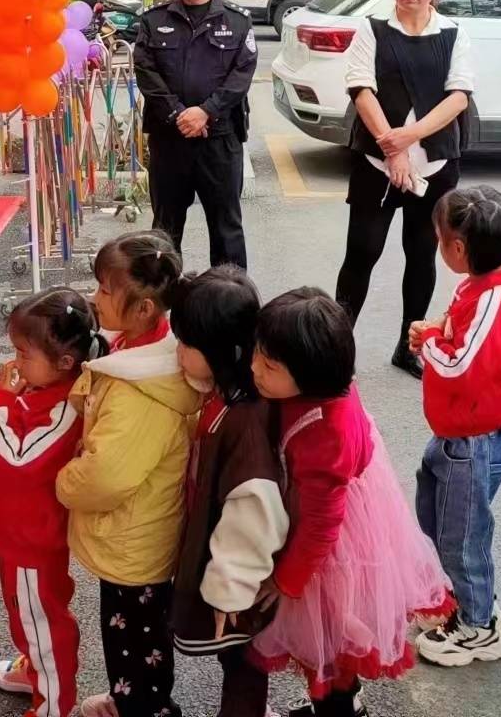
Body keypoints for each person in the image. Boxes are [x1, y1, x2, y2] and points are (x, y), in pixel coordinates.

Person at [248, 289, 451, 717]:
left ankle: (342, 708)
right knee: (334, 638)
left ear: (311, 373)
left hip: (330, 550)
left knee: (329, 640)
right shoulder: (325, 387)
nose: (254, 370)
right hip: (339, 517)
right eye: (256, 355)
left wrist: (287, 580)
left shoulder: (325, 435)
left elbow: (322, 522)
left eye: (268, 365)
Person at [57, 231, 202, 717]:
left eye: (103, 289)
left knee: (133, 636)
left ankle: (144, 706)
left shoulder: (141, 387)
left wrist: (65, 482)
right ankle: (133, 698)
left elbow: (107, 476)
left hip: (134, 537)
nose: (95, 298)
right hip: (140, 531)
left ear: (143, 308)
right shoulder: (148, 353)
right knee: (136, 635)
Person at [335, 0, 475, 378]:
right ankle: (337, 349)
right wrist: (392, 149)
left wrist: (411, 138)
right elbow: (362, 91)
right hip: (376, 163)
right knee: (362, 252)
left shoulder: (454, 33)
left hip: (434, 166)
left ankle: (407, 346)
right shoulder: (373, 30)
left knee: (421, 255)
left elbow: (458, 97)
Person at [408, 185, 501, 668]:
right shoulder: (478, 288)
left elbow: (460, 365)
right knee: (441, 521)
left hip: (473, 440)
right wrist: (434, 331)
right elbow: (456, 334)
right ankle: (467, 604)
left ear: (458, 247)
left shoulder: (494, 300)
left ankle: (479, 626)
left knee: (463, 535)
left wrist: (428, 347)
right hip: (458, 435)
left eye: (440, 239)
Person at [168, 267, 287, 717]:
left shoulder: (245, 422)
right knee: (238, 661)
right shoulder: (230, 392)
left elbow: (252, 515)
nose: (177, 351)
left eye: (186, 344)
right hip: (230, 568)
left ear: (220, 351)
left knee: (243, 663)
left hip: (239, 583)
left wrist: (228, 592)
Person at [0, 290, 101, 717]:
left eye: (23, 353)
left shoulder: (66, 406)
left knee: (43, 623)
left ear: (65, 363)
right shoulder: (43, 389)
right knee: (24, 614)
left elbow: (18, 458)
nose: (15, 362)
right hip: (18, 534)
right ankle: (36, 669)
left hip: (36, 541)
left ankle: (52, 703)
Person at [132, 0, 256, 270]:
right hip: (169, 140)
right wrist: (178, 115)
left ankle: (230, 309)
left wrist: (206, 112)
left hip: (219, 141)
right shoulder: (153, 20)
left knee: (227, 229)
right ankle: (158, 309)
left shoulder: (237, 21)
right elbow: (146, 73)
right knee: (165, 232)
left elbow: (241, 76)